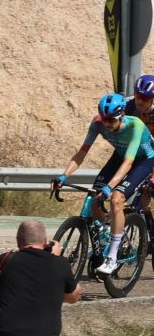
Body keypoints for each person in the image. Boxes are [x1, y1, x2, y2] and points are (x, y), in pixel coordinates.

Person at [56, 93, 154, 275]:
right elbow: (82, 152)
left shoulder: (135, 126)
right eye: (104, 120)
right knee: (94, 198)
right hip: (120, 155)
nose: (107, 125)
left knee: (116, 199)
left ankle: (112, 257)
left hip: (143, 160)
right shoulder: (97, 124)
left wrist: (110, 187)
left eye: (111, 121)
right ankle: (109, 230)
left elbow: (128, 164)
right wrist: (64, 176)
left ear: (121, 116)